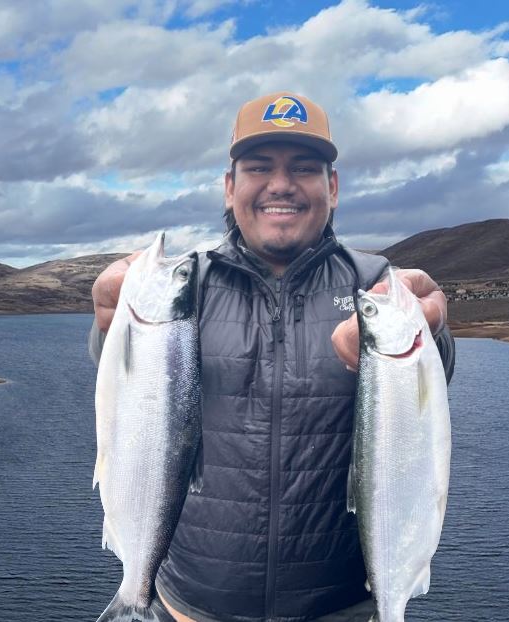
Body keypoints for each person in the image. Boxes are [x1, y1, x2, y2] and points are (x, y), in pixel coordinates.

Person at [88, 92, 455, 622]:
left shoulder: (375, 284)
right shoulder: (186, 285)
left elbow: (426, 394)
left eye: (303, 168)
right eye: (259, 167)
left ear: (332, 187)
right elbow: (130, 398)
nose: (281, 184)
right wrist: (111, 331)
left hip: (342, 609)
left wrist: (432, 333)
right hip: (189, 607)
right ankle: (133, 595)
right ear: (230, 186)